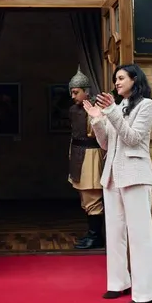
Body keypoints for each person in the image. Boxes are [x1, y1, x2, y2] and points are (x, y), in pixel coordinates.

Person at [84, 63, 152, 303]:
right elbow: (106, 144)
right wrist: (97, 119)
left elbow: (133, 138)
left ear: (134, 80)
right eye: (115, 79)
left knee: (139, 235)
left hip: (135, 175)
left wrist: (111, 111)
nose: (116, 82)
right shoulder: (117, 106)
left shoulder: (146, 105)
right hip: (112, 176)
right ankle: (118, 283)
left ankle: (144, 292)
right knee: (114, 234)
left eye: (121, 78)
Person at [67, 66, 105, 249]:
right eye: (72, 92)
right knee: (85, 198)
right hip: (77, 154)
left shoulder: (97, 109)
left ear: (86, 91)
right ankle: (91, 233)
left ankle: (96, 237)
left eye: (76, 92)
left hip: (91, 154)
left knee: (92, 197)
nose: (73, 96)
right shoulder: (73, 110)